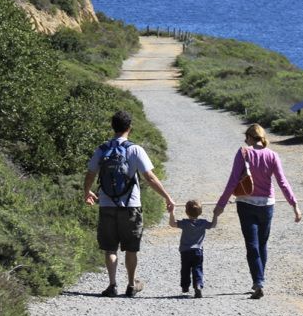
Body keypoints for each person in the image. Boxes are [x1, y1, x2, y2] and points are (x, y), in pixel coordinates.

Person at [84, 109, 175, 298]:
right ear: (129, 128)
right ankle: (131, 285)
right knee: (131, 248)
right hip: (130, 206)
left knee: (110, 248)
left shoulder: (102, 149)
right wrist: (167, 196)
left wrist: (87, 192)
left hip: (107, 204)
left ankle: (112, 285)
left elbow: (91, 173)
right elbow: (149, 177)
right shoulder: (135, 149)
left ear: (112, 127)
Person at [213, 123, 301, 299]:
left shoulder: (243, 153)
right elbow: (282, 182)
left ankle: (258, 282)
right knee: (262, 244)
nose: (245, 141)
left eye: (246, 137)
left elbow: (232, 181)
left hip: (246, 203)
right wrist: (294, 205)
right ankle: (260, 279)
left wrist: (220, 205)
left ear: (250, 137)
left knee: (252, 245)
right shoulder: (273, 155)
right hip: (267, 205)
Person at [169, 199, 217, 298]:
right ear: (200, 212)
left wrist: (172, 212)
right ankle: (198, 285)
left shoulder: (185, 223)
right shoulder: (203, 223)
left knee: (185, 269)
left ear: (186, 212)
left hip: (185, 252)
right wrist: (215, 215)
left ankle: (185, 286)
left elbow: (172, 224)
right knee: (197, 268)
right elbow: (213, 225)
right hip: (198, 251)